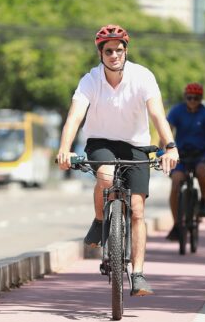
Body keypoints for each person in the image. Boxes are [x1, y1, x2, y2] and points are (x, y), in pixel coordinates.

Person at [56, 24, 179, 296]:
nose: (114, 55)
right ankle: (100, 220)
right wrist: (64, 149)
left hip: (137, 145)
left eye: (119, 50)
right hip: (101, 142)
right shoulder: (90, 80)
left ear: (126, 51)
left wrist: (169, 146)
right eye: (109, 51)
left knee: (137, 209)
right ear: (100, 53)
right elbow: (75, 117)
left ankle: (138, 274)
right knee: (107, 176)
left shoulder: (143, 77)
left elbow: (158, 115)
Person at [165, 82, 205, 241]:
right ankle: (176, 224)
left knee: (202, 171)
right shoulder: (177, 111)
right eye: (189, 98)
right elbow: (166, 129)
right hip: (180, 154)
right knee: (176, 182)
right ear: (185, 98)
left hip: (201, 154)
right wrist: (163, 148)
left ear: (201, 99)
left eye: (196, 98)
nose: (192, 101)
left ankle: (203, 200)